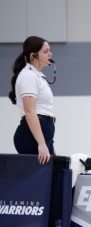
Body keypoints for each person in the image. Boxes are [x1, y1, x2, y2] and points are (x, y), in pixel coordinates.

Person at [8, 36, 56, 165]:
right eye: (45, 51)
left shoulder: (37, 75)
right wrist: (41, 143)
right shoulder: (28, 76)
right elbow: (30, 111)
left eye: (49, 50)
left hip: (42, 132)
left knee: (52, 174)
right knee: (39, 181)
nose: (50, 54)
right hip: (31, 136)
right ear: (33, 55)